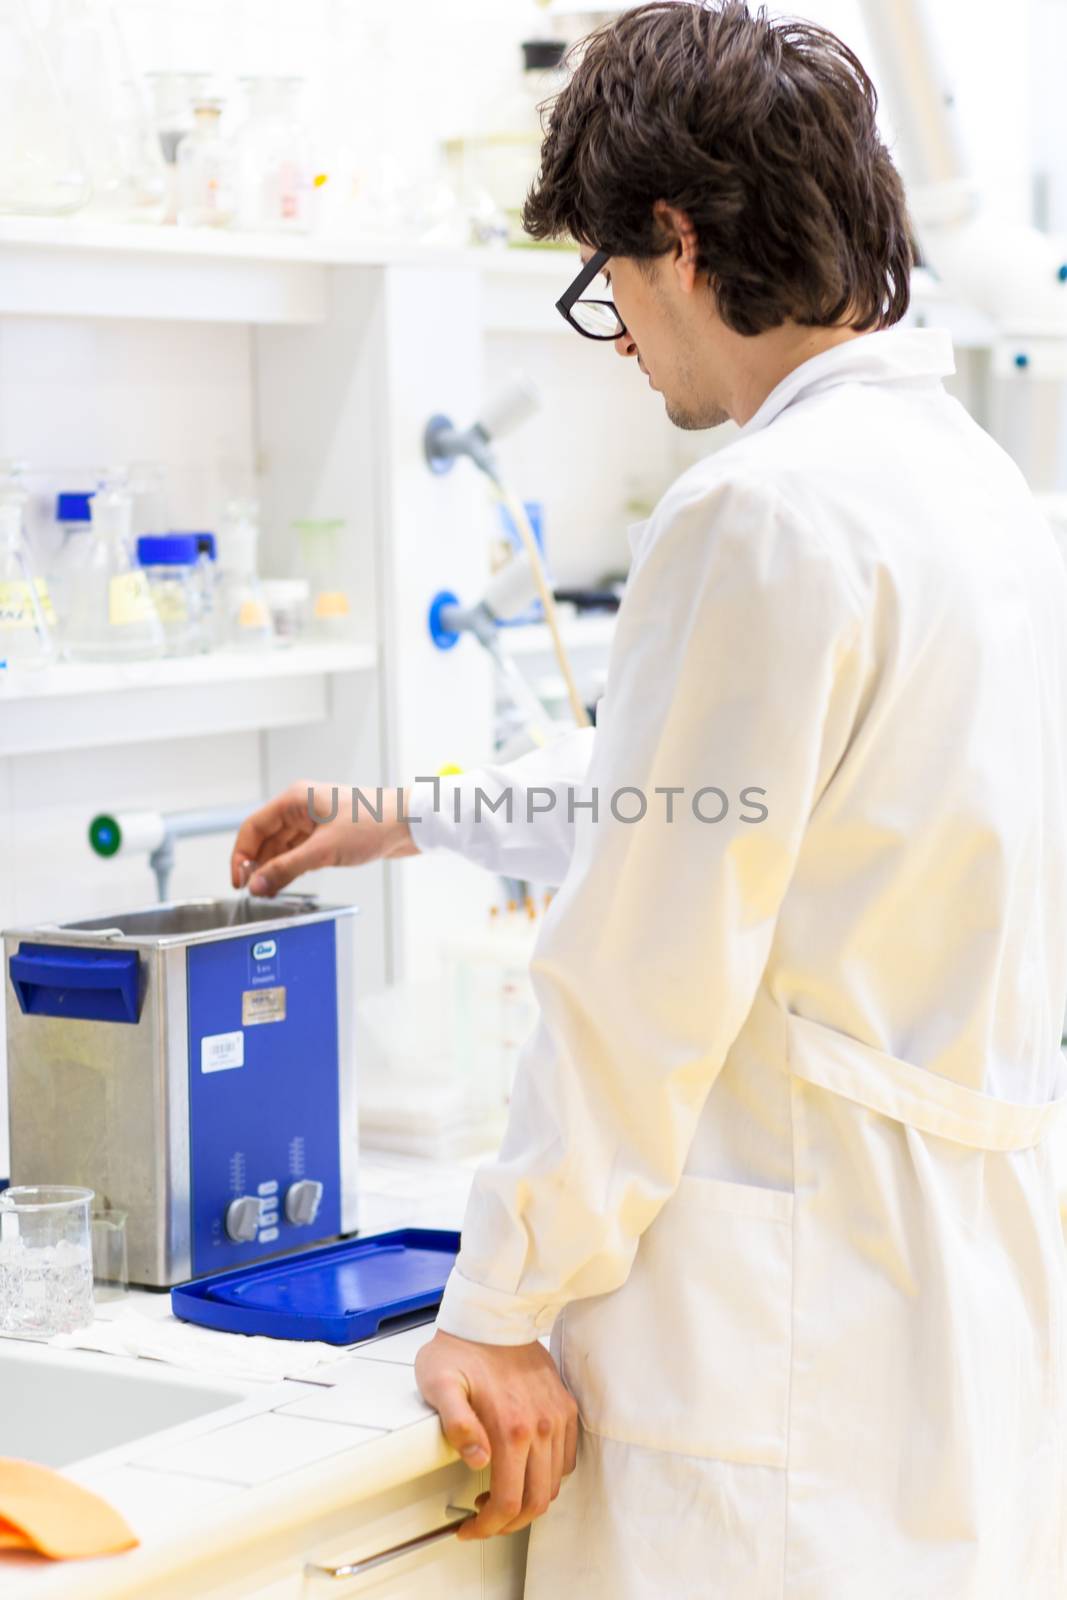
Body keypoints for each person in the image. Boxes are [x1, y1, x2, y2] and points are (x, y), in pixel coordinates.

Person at [230, 4, 1067, 1595]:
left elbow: (641, 974)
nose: (615, 334)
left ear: (676, 239)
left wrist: (500, 1304)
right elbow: (703, 798)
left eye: (604, 283)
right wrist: (405, 811)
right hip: (963, 1313)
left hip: (788, 1348)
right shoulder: (977, 495)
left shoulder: (762, 509)